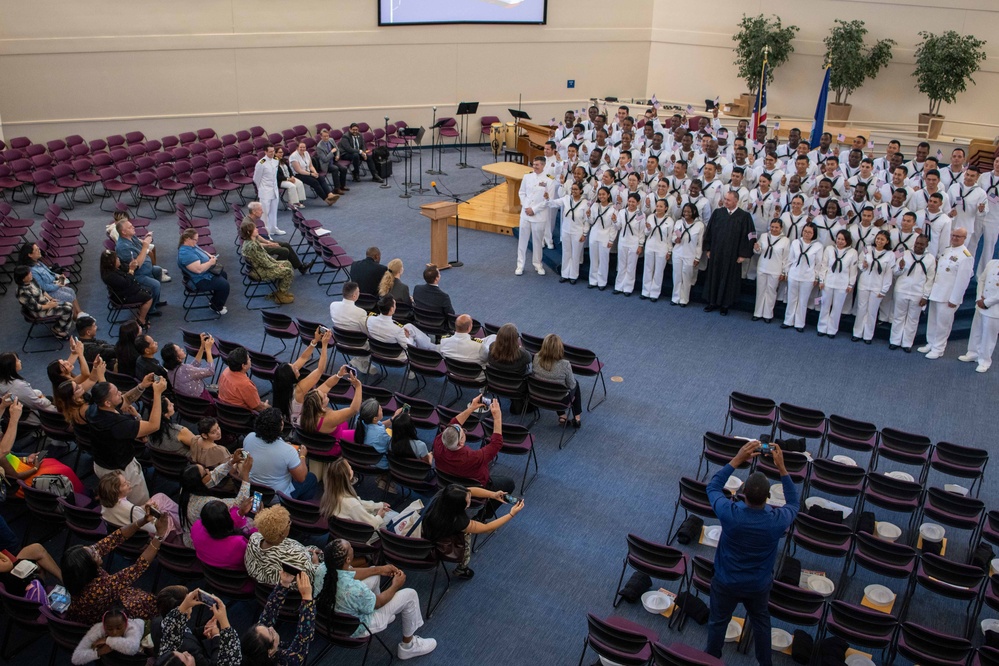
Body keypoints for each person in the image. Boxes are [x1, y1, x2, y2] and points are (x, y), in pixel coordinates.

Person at [704, 440, 799, 665]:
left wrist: (737, 460)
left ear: (742, 493)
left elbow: (713, 487)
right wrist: (782, 468)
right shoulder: (776, 521)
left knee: (717, 623)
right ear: (768, 498)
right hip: (758, 584)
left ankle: (710, 660)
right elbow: (794, 504)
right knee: (761, 623)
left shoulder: (730, 513)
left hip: (726, 581)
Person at [315, 539, 437, 660]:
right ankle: (409, 647)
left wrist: (379, 569)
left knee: (373, 574)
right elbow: (378, 603)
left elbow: (349, 572)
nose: (352, 547)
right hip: (357, 626)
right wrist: (396, 585)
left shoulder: (322, 568)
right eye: (350, 547)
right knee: (410, 594)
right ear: (347, 560)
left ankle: (386, 615)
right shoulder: (356, 590)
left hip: (330, 619)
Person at [62, 509, 170, 623]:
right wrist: (159, 535)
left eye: (91, 548)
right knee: (149, 602)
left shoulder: (81, 571)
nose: (96, 550)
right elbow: (139, 566)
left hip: (108, 598)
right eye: (93, 553)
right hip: (102, 618)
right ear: (88, 567)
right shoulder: (98, 589)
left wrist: (143, 521)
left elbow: (116, 537)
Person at [87, 376, 167, 504]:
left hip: (101, 464)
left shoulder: (92, 409)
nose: (120, 393)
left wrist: (141, 386)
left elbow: (125, 400)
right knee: (141, 504)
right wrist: (157, 394)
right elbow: (154, 425)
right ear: (107, 403)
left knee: (117, 500)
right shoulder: (118, 424)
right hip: (121, 471)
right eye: (116, 393)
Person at [421, 483, 524, 580]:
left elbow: (469, 491)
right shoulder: (459, 521)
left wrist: (493, 495)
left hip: (426, 528)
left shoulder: (444, 495)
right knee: (466, 534)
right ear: (460, 506)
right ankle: (462, 568)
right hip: (440, 539)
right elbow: (487, 528)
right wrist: (511, 514)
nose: (470, 499)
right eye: (468, 500)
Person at [433, 396, 515, 516]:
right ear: (461, 442)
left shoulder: (439, 442)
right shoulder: (473, 457)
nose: (460, 427)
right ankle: (483, 516)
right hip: (476, 489)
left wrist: (471, 408)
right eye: (463, 431)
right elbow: (496, 443)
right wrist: (497, 417)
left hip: (447, 484)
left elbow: (453, 424)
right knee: (508, 483)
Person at [1, 397, 84, 497]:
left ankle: (79, 493)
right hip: (21, 481)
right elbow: (16, 476)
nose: (3, 435)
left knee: (53, 462)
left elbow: (10, 456)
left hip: (19, 466)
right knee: (64, 472)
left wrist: (26, 459)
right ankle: (78, 496)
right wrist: (35, 468)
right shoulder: (2, 453)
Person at [240, 570, 316, 666]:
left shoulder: (256, 651)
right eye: (270, 633)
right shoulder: (289, 660)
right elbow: (304, 637)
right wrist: (307, 597)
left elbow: (269, 612)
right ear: (270, 651)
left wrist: (284, 584)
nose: (271, 628)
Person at [921, 228, 974, 359]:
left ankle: (938, 348)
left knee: (943, 324)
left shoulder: (965, 256)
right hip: (937, 291)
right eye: (953, 235)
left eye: (958, 236)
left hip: (948, 296)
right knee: (932, 320)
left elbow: (963, 281)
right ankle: (931, 342)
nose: (955, 238)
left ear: (964, 239)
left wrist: (954, 299)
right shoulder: (947, 249)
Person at [243, 408, 318, 500]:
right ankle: (295, 505)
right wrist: (302, 456)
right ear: (280, 427)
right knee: (311, 478)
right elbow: (301, 478)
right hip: (277, 498)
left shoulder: (249, 438)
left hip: (253, 491)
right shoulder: (289, 451)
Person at [179, 452, 253, 542]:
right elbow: (239, 503)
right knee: (251, 522)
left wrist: (232, 461)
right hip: (201, 541)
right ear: (199, 481)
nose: (208, 471)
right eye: (205, 471)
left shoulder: (186, 488)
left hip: (192, 533)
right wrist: (245, 475)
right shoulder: (208, 503)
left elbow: (215, 475)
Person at [157, 588, 242, 666]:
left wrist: (184, 606)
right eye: (186, 658)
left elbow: (170, 636)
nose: (185, 652)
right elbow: (230, 660)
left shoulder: (166, 660)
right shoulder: (189, 648)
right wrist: (223, 622)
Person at [703, 191, 756, 315]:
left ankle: (725, 305)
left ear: (736, 201)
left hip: (733, 255)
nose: (725, 202)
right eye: (725, 199)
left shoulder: (744, 217)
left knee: (729, 279)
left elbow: (750, 235)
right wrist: (709, 248)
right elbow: (709, 230)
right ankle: (712, 302)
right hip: (717, 252)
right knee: (714, 276)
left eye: (728, 200)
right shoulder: (718, 213)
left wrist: (743, 254)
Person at [243, 506, 319, 585]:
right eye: (289, 522)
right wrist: (315, 563)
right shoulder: (295, 557)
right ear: (282, 533)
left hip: (262, 589)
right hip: (292, 592)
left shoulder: (254, 538)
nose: (290, 524)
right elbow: (314, 577)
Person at [97, 468, 181, 536]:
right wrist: (162, 516)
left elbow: (130, 514)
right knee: (168, 513)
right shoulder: (132, 510)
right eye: (125, 484)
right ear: (116, 492)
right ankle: (185, 523)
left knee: (159, 497)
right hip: (150, 537)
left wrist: (144, 507)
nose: (129, 483)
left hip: (125, 530)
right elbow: (154, 530)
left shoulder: (104, 505)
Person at [319, 459, 397, 531]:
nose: (352, 469)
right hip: (362, 535)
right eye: (350, 468)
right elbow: (372, 524)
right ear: (347, 476)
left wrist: (378, 505)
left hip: (342, 531)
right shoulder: (351, 503)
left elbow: (359, 503)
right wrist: (380, 516)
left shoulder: (329, 494)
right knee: (395, 517)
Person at [191, 499, 257, 582]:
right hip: (239, 582)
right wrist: (260, 520)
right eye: (229, 513)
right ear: (227, 519)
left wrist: (239, 513)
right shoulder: (238, 543)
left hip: (213, 578)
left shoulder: (196, 526)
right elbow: (256, 554)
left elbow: (218, 525)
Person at [890, 234, 936, 352]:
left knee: (913, 319)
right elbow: (895, 273)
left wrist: (926, 296)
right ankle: (895, 340)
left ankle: (907, 343)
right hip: (902, 289)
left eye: (922, 244)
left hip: (918, 293)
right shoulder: (904, 253)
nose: (918, 246)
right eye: (917, 243)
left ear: (927, 245)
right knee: (898, 316)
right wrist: (900, 268)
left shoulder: (930, 259)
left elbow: (930, 279)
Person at [115, 216, 167, 314]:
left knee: (158, 270)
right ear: (123, 232)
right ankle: (150, 310)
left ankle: (155, 301)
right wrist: (145, 246)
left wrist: (147, 238)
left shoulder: (131, 237)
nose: (133, 227)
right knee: (155, 285)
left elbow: (141, 244)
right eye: (130, 227)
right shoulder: (123, 248)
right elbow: (137, 265)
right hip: (137, 274)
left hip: (146, 268)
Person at [853, 230, 896, 344]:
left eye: (882, 239)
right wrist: (863, 265)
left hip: (877, 286)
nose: (879, 241)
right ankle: (857, 332)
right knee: (861, 308)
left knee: (872, 311)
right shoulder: (867, 248)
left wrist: (884, 290)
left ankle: (868, 335)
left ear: (887, 241)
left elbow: (888, 273)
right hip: (864, 283)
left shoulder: (890, 254)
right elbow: (860, 263)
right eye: (878, 238)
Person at [244, 203, 310, 274]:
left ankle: (300, 267)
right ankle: (275, 270)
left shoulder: (251, 220)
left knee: (285, 244)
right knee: (284, 251)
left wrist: (268, 242)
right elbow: (253, 244)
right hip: (256, 248)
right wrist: (269, 245)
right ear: (254, 211)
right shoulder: (247, 224)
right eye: (260, 210)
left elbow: (257, 236)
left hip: (258, 243)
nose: (262, 212)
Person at [18, 242, 81, 317]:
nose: (39, 250)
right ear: (30, 255)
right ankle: (75, 317)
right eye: (36, 250)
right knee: (69, 297)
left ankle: (79, 312)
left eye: (38, 248)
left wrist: (58, 276)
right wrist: (58, 285)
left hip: (53, 284)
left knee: (71, 291)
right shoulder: (33, 271)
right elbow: (43, 287)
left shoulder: (38, 262)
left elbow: (50, 272)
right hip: (48, 292)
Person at [240, 220, 296, 304]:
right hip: (259, 272)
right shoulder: (252, 246)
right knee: (288, 271)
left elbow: (266, 257)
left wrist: (277, 263)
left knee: (287, 263)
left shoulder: (252, 242)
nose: (257, 230)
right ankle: (281, 296)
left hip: (260, 267)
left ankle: (280, 291)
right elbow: (264, 262)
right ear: (248, 232)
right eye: (255, 229)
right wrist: (276, 266)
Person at [816, 229, 859, 338]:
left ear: (847, 241)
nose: (840, 241)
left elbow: (853, 271)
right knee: (825, 305)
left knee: (837, 308)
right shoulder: (830, 249)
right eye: (838, 238)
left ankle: (832, 329)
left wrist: (850, 284)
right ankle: (822, 327)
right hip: (828, 282)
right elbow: (824, 265)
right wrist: (821, 280)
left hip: (842, 284)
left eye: (843, 239)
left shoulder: (852, 252)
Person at [532, 333, 581, 428]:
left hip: (538, 394)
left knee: (552, 386)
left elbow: (534, 374)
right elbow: (572, 385)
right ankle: (577, 418)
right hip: (559, 399)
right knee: (575, 384)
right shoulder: (565, 364)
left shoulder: (536, 357)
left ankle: (562, 416)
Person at [781, 222, 823, 332]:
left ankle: (799, 323)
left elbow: (818, 264)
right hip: (794, 275)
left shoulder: (818, 246)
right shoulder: (795, 242)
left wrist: (816, 277)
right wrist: (786, 272)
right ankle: (788, 321)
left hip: (808, 277)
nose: (807, 234)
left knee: (803, 301)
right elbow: (790, 259)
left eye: (810, 232)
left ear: (814, 234)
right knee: (791, 299)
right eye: (805, 231)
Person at [516, 156, 554, 276]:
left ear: (543, 165)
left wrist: (534, 209)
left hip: (539, 216)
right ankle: (520, 265)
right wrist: (526, 206)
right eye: (534, 164)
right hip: (525, 214)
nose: (534, 166)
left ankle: (538, 264)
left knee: (537, 242)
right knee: (522, 241)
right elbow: (522, 192)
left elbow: (549, 200)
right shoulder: (527, 176)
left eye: (537, 165)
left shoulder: (550, 180)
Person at [178, 228, 230, 315]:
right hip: (199, 280)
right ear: (188, 239)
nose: (197, 241)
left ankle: (215, 300)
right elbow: (199, 270)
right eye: (195, 239)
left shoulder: (191, 245)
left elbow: (202, 251)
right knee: (224, 285)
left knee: (223, 274)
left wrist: (210, 256)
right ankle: (216, 307)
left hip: (205, 273)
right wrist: (210, 262)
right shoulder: (186, 254)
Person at [14, 265, 75, 339]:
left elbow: (42, 290)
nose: (31, 274)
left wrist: (51, 299)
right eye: (28, 274)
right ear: (23, 279)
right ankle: (58, 330)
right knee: (67, 310)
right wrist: (50, 305)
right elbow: (37, 308)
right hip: (39, 311)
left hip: (46, 303)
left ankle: (59, 327)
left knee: (69, 305)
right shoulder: (22, 292)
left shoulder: (31, 280)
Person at [72, 602, 145, 664]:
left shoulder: (133, 627)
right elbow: (76, 658)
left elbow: (133, 648)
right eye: (109, 629)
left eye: (119, 628)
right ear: (104, 625)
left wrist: (107, 640)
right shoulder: (99, 628)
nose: (114, 632)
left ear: (126, 624)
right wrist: (98, 652)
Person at [960, 258, 999, 372]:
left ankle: (985, 361)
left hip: (993, 309)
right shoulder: (992, 263)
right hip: (980, 304)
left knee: (988, 336)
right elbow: (982, 280)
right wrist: (978, 298)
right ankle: (973, 352)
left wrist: (986, 303)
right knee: (976, 330)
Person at [299, 375, 363, 444]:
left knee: (344, 423)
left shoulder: (308, 406)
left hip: (315, 442)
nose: (326, 394)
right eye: (324, 396)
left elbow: (327, 385)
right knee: (359, 433)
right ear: (321, 406)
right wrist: (358, 386)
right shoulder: (329, 418)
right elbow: (354, 409)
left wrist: (339, 375)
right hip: (330, 446)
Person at [548, 181, 590, 284]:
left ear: (581, 191)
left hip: (578, 232)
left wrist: (584, 234)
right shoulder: (566, 199)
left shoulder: (585, 203)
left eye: (576, 189)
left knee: (575, 254)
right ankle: (565, 274)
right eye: (572, 189)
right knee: (566, 252)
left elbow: (587, 221)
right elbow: (554, 203)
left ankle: (573, 275)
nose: (574, 191)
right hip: (566, 230)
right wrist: (547, 199)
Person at [0, 350, 60, 423]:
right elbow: (38, 404)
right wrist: (44, 399)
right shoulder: (19, 386)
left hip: (17, 411)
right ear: (11, 366)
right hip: (31, 416)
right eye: (17, 360)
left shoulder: (3, 382)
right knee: (57, 407)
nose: (20, 361)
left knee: (38, 392)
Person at [99, 250, 154, 327]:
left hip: (125, 291)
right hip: (122, 297)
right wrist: (131, 270)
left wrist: (132, 265)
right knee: (148, 298)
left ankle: (139, 314)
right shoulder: (110, 276)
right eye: (116, 259)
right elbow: (126, 283)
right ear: (111, 263)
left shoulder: (116, 268)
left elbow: (126, 268)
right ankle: (141, 320)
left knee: (148, 290)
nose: (118, 259)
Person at [329, 281, 373, 374]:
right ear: (354, 296)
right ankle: (360, 361)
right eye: (359, 292)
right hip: (358, 346)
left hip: (340, 342)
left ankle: (359, 360)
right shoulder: (361, 312)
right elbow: (366, 333)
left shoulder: (333, 305)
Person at [752, 219, 790, 323]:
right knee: (760, 290)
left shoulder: (785, 240)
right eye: (772, 227)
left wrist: (784, 272)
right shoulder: (764, 236)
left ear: (781, 228)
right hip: (762, 267)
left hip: (775, 269)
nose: (774, 229)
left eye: (776, 227)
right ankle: (757, 313)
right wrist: (756, 248)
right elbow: (757, 251)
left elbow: (786, 258)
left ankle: (768, 314)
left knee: (771, 292)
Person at [354, 398, 398, 478]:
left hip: (365, 457)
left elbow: (379, 426)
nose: (382, 408)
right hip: (380, 463)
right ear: (375, 418)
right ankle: (384, 478)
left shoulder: (360, 420)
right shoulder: (381, 434)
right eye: (380, 409)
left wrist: (393, 418)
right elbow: (392, 447)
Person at [162, 336, 214, 400]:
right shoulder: (186, 369)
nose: (182, 349)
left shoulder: (170, 371)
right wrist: (208, 350)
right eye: (180, 350)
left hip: (187, 403)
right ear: (177, 358)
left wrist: (202, 347)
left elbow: (192, 368)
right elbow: (211, 371)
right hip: (201, 400)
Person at [218, 346, 269, 412]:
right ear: (243, 366)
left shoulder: (226, 371)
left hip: (224, 410)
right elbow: (258, 407)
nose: (250, 359)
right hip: (240, 415)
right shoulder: (246, 385)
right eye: (248, 358)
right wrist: (266, 406)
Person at [587, 187, 616, 290]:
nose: (601, 196)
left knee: (603, 260)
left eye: (603, 194)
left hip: (605, 236)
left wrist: (611, 240)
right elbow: (591, 222)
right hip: (594, 235)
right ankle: (593, 280)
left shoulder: (613, 209)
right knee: (594, 259)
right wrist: (588, 216)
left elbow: (613, 227)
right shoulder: (595, 206)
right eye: (599, 194)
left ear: (608, 195)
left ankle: (602, 282)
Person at [252, 144, 284, 236]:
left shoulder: (276, 160)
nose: (272, 153)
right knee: (264, 213)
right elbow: (256, 178)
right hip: (265, 190)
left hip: (274, 189)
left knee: (274, 211)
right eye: (270, 152)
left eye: (273, 151)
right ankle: (266, 231)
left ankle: (274, 228)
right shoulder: (261, 163)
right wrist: (261, 188)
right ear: (265, 152)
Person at [315, 127, 349, 195]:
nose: (326, 138)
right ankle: (337, 188)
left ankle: (342, 186)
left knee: (344, 169)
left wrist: (337, 155)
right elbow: (324, 159)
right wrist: (331, 152)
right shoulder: (319, 147)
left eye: (327, 136)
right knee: (335, 169)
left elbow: (337, 149)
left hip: (333, 161)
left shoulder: (331, 140)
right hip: (326, 164)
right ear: (321, 137)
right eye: (324, 136)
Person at [275, 145, 306, 210]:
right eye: (279, 152)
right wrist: (288, 179)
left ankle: (298, 201)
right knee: (292, 186)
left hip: (289, 178)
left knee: (299, 183)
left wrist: (292, 176)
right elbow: (277, 176)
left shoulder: (284, 160)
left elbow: (290, 170)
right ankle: (291, 204)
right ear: (275, 153)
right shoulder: (274, 163)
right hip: (281, 181)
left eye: (282, 152)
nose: (281, 154)